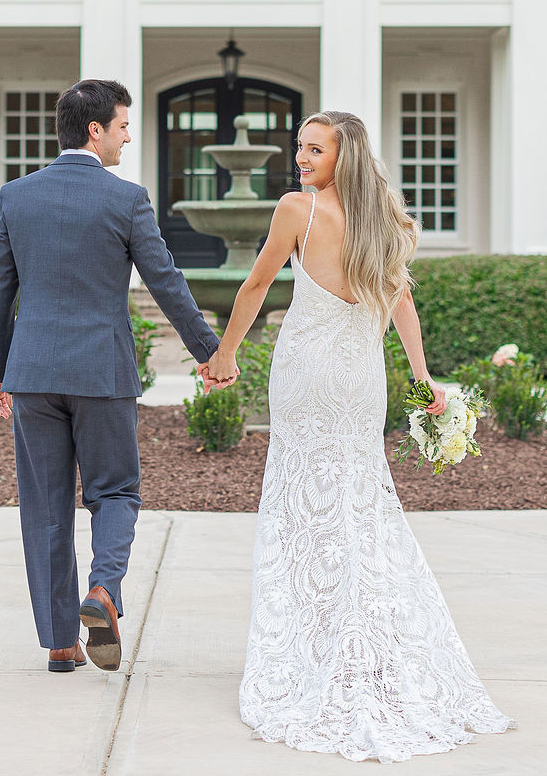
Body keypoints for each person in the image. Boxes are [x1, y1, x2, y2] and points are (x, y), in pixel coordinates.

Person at [205, 110, 514, 761]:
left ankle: (314, 644)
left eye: (314, 149)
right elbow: (401, 304)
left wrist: (224, 356)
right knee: (360, 505)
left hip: (307, 374)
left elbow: (258, 282)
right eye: (299, 148)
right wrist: (427, 381)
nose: (301, 158)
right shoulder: (387, 225)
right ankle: (365, 640)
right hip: (358, 380)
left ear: (343, 157)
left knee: (300, 505)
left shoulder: (299, 209)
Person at [0, 78, 225, 674]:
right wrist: (209, 351)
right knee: (115, 491)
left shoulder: (17, 196)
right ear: (94, 130)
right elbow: (165, 280)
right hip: (102, 371)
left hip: (32, 371)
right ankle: (104, 591)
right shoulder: (127, 199)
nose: (126, 138)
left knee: (45, 504)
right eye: (121, 126)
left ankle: (61, 643)